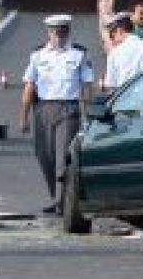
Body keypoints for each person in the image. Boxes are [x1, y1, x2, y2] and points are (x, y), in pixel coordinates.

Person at [19, 15, 93, 213]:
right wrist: (23, 117)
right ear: (48, 33)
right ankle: (57, 197)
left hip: (69, 109)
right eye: (55, 32)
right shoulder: (37, 56)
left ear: (67, 32)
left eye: (63, 31)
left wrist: (88, 115)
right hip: (43, 109)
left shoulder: (79, 54)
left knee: (63, 158)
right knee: (45, 156)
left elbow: (86, 86)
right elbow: (29, 87)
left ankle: (64, 202)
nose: (59, 36)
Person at [104, 12, 143, 90]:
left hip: (126, 99)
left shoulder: (115, 54)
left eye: (112, 36)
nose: (112, 40)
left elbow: (111, 86)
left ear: (120, 31)